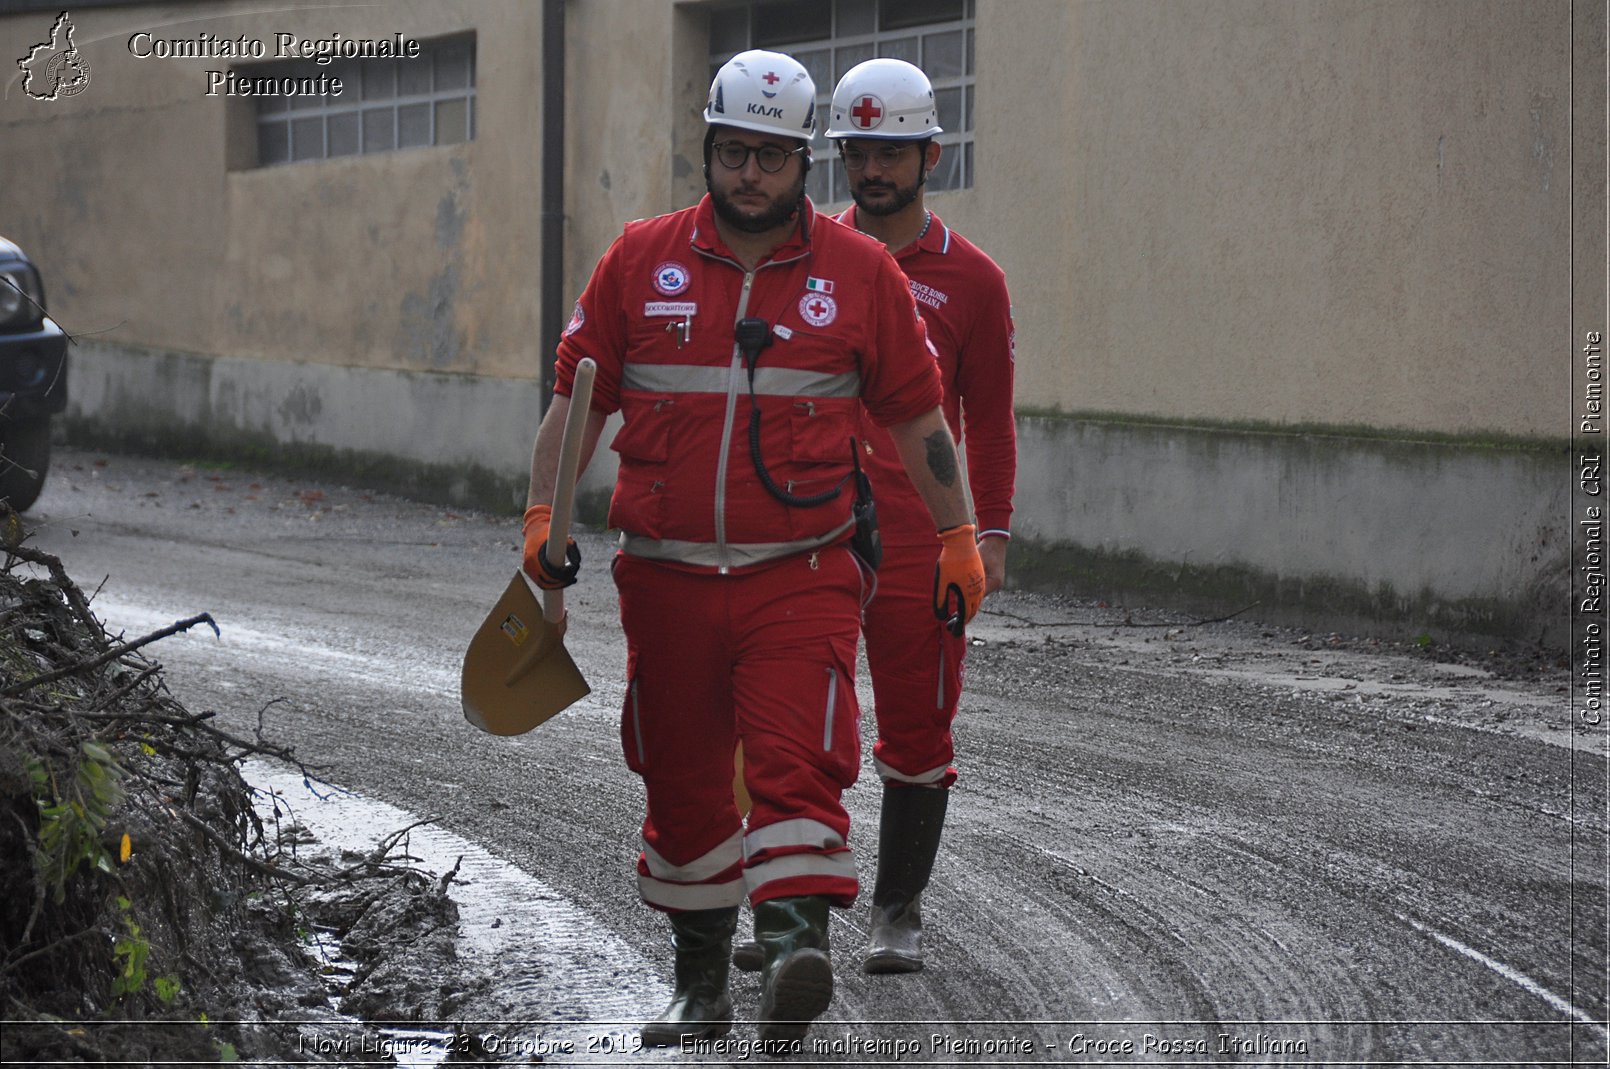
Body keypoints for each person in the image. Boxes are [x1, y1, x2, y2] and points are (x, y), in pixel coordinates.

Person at [520, 49, 985, 1050]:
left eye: (771, 159)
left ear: (801, 162)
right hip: (666, 579)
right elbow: (575, 398)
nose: (750, 176)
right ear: (708, 150)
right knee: (684, 780)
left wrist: (957, 531)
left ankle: (790, 949)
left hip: (802, 574)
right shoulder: (636, 262)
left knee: (795, 761)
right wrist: (537, 525)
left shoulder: (858, 276)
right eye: (735, 153)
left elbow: (918, 418)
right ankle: (699, 985)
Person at [732, 57, 1017, 978]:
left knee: (917, 724)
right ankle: (786, 911)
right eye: (859, 152)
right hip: (808, 531)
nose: (874, 170)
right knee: (786, 720)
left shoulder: (976, 282)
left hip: (919, 544)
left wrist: (987, 534)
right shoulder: (807, 258)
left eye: (893, 151)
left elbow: (994, 417)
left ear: (931, 153)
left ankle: (898, 910)